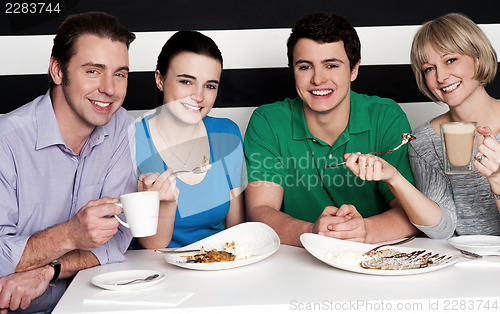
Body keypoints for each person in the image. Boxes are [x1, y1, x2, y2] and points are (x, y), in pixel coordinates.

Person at [243, 11, 419, 247]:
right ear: (292, 70)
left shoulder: (385, 116)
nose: (318, 79)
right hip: (296, 261)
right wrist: (311, 231)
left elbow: (411, 212)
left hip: (373, 257)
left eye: (331, 65)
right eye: (305, 67)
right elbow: (260, 210)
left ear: (354, 69)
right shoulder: (267, 121)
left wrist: (364, 231)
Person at [0, 12, 137, 313]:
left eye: (120, 74)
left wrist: (51, 269)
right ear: (58, 71)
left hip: (95, 305)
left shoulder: (120, 126)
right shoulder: (6, 140)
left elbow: (118, 237)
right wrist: (70, 235)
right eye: (93, 71)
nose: (110, 89)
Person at [344, 13, 500, 238]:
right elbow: (442, 229)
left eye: (450, 60)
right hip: (462, 266)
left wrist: (496, 179)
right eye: (429, 68)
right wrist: (394, 178)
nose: (441, 76)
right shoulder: (425, 141)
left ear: (477, 57)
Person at [134, 31, 245, 249]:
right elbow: (150, 245)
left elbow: (236, 232)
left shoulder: (227, 133)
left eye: (210, 85)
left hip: (215, 268)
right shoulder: (129, 140)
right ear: (160, 79)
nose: (199, 96)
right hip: (152, 272)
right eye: (186, 81)